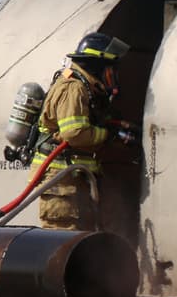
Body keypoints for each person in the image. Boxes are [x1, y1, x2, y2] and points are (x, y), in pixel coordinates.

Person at [30, 32, 133, 230]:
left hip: (74, 179)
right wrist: (107, 135)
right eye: (110, 70)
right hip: (63, 182)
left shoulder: (86, 88)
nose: (112, 76)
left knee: (81, 237)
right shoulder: (73, 88)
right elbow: (74, 133)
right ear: (96, 66)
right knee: (63, 239)